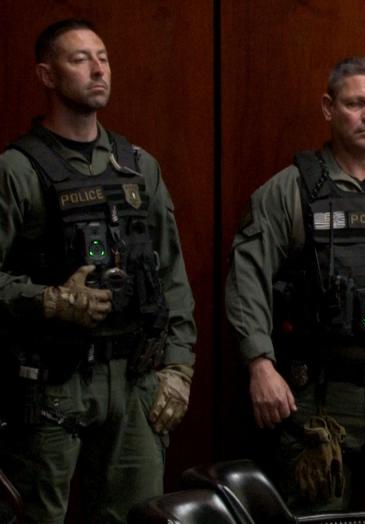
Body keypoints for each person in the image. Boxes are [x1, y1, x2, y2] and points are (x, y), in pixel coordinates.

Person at [0, 18, 197, 523]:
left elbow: (172, 275)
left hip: (135, 380)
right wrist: (49, 300)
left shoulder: (137, 167)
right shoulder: (18, 170)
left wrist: (178, 369)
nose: (97, 69)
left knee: (138, 516)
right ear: (47, 75)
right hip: (50, 382)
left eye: (103, 57)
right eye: (79, 58)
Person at [224, 56, 365, 514]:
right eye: (355, 103)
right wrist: (259, 365)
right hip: (319, 394)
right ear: (328, 108)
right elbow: (247, 279)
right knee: (313, 516)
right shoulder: (291, 190)